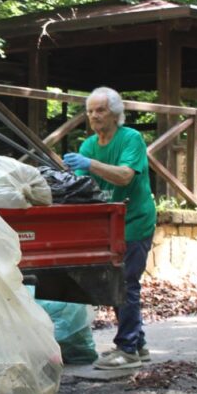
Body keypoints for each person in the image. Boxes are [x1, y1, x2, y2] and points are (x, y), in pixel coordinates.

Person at [63, 86, 156, 371]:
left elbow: (126, 176)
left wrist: (90, 164)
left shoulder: (131, 139)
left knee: (126, 282)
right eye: (90, 111)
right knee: (114, 283)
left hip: (134, 221)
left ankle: (127, 349)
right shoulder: (88, 144)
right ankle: (137, 345)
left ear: (115, 114)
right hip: (106, 224)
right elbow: (82, 188)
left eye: (100, 110)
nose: (94, 116)